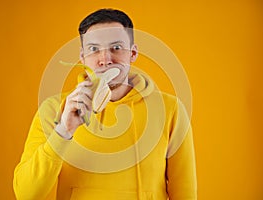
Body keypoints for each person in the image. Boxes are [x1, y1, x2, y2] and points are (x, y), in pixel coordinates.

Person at [13, 8, 197, 200]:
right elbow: (26, 194)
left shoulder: (170, 109)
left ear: (132, 53)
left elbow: (185, 194)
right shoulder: (54, 109)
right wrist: (63, 131)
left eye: (116, 48)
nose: (105, 60)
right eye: (94, 49)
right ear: (82, 57)